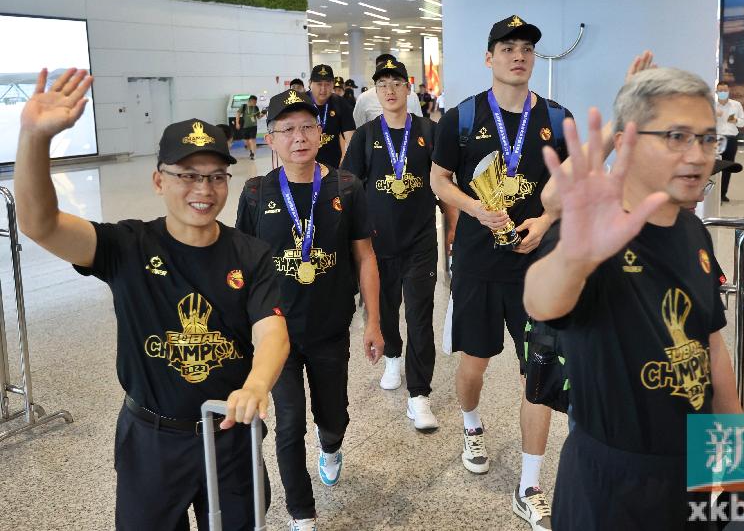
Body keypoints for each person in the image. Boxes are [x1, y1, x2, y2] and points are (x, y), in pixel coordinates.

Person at [14, 69, 290, 530]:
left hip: (230, 434)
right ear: (159, 180)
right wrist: (34, 138)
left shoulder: (251, 254)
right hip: (152, 440)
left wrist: (257, 385)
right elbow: (39, 223)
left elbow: (272, 331)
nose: (204, 190)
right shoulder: (127, 247)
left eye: (216, 177)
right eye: (188, 176)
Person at [524, 68, 744, 529]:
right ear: (626, 143)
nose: (698, 155)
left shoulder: (694, 231)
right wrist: (575, 258)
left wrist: (742, 453)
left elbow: (712, 347)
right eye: (676, 137)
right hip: (609, 484)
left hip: (690, 473)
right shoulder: (594, 235)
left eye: (708, 139)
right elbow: (542, 302)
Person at [430, 14, 572, 531]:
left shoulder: (556, 118)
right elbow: (438, 179)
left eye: (526, 49)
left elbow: (571, 182)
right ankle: (471, 425)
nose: (518, 56)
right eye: (508, 48)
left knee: (538, 372)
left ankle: (529, 485)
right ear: (489, 57)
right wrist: (474, 208)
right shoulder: (462, 117)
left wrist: (547, 220)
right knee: (474, 364)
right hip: (478, 265)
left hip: (536, 267)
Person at [235, 89, 384, 531]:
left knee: (333, 415)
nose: (298, 137)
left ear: (321, 134)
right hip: (276, 333)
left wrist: (373, 322)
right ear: (271, 139)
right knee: (288, 424)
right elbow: (240, 266)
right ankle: (301, 512)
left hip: (330, 327)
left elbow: (365, 257)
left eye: (306, 127)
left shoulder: (346, 186)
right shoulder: (256, 192)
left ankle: (331, 445)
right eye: (287, 129)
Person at [342, 59, 442, 432]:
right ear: (375, 91)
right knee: (384, 309)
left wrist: (451, 228)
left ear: (407, 88)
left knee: (419, 315)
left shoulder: (428, 131)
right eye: (382, 84)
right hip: (378, 245)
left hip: (420, 243)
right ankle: (393, 358)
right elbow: (349, 189)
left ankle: (419, 394)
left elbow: (444, 181)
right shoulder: (366, 136)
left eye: (396, 82)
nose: (390, 90)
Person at [352, 54, 423, 125]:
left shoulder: (412, 96)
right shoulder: (364, 98)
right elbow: (358, 125)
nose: (390, 91)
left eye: (396, 83)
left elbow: (419, 122)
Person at [307, 65, 356, 169]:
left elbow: (351, 139)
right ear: (310, 83)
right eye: (319, 84)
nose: (323, 89)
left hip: (332, 166)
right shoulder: (301, 103)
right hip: (304, 165)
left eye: (327, 84)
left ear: (333, 84)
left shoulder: (341, 104)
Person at [714, 82, 744, 202]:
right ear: (716, 92)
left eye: (725, 90)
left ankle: (722, 194)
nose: (723, 93)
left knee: (728, 166)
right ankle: (713, 194)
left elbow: (743, 122)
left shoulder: (736, 105)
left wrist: (735, 120)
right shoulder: (712, 106)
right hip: (716, 139)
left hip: (731, 139)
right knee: (714, 166)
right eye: (720, 91)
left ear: (728, 91)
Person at [236, 95, 264, 161]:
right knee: (246, 142)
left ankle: (253, 154)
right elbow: (238, 114)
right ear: (250, 101)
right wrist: (237, 123)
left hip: (253, 126)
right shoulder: (244, 106)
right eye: (254, 102)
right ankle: (251, 151)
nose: (255, 103)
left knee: (252, 140)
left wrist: (263, 114)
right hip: (245, 127)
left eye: (256, 102)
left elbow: (259, 117)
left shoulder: (256, 107)